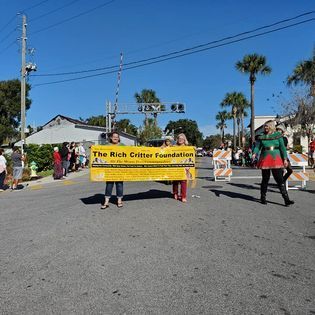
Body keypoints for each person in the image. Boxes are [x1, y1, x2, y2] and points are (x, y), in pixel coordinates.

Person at [252, 121, 294, 206]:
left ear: (271, 126)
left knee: (279, 179)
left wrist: (285, 159)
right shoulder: (261, 136)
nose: (265, 128)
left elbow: (282, 148)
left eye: (267, 126)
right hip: (265, 158)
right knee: (265, 179)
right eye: (265, 127)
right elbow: (257, 147)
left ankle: (286, 199)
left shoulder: (278, 136)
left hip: (276, 159)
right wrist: (254, 153)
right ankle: (263, 197)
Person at [101, 132, 124, 209]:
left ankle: (119, 200)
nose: (115, 138)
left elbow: (132, 151)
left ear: (119, 138)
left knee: (119, 184)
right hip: (110, 169)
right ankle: (106, 201)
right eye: (114, 137)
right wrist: (93, 148)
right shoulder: (106, 146)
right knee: (109, 185)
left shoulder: (122, 145)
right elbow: (99, 151)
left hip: (119, 168)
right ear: (111, 138)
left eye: (117, 137)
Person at [172, 133, 189, 203]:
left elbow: (190, 156)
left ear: (184, 140)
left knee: (183, 181)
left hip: (184, 166)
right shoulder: (174, 147)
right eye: (179, 138)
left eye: (182, 139)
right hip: (176, 165)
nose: (180, 140)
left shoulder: (188, 148)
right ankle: (175, 193)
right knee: (175, 181)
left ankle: (183, 196)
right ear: (177, 139)